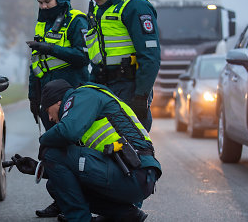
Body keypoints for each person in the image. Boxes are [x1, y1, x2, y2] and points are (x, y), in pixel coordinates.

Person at [12, 79, 161, 222]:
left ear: (58, 102)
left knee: (51, 152)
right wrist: (41, 169)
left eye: (47, 111)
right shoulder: (83, 110)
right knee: (54, 185)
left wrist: (43, 141)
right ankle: (125, 215)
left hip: (134, 172)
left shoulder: (84, 95)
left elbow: (67, 132)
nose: (50, 118)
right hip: (130, 174)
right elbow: (72, 167)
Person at [27, 0, 90, 218]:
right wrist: (34, 97)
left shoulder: (76, 20)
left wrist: (51, 49)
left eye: (48, 2)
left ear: (60, 0)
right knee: (54, 152)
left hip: (72, 99)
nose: (43, 7)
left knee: (74, 154)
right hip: (47, 99)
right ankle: (62, 200)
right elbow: (36, 64)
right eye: (40, 3)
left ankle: (81, 203)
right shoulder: (41, 25)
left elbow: (83, 56)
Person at [83, 0, 161, 132]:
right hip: (105, 86)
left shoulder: (136, 6)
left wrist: (141, 96)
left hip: (129, 87)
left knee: (133, 147)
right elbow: (99, 56)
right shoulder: (100, 10)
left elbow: (150, 57)